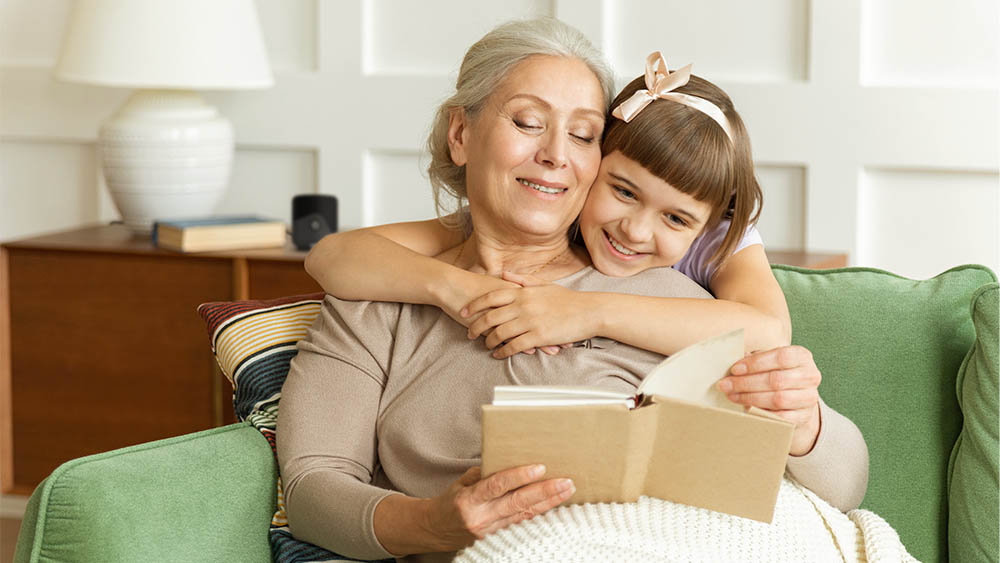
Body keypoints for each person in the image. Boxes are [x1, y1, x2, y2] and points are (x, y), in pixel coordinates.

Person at [277, 17, 867, 563]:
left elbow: (844, 486)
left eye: (583, 135)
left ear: (599, 156)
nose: (555, 154)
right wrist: (433, 523)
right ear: (461, 133)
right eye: (528, 123)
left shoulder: (664, 298)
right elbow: (311, 490)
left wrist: (806, 422)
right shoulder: (377, 300)